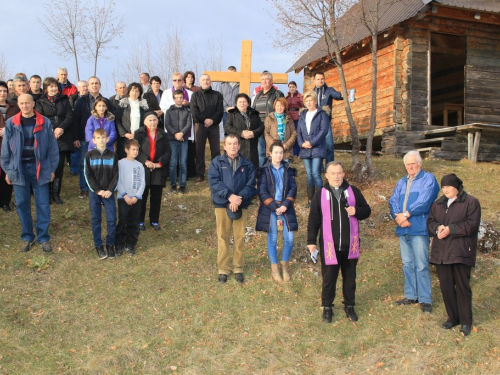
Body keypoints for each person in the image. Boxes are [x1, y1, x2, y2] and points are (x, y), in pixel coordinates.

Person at [307, 161, 371, 323]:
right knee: (329, 278)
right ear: (327, 176)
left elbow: (367, 210)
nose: (336, 176)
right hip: (330, 245)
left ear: (343, 174)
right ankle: (327, 307)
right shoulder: (319, 194)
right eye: (332, 173)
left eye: (339, 173)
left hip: (351, 244)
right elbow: (314, 218)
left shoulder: (353, 192)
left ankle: (349, 306)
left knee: (350, 278)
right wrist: (311, 240)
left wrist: (357, 211)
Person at [0, 94, 59, 253]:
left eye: (27, 103)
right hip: (19, 170)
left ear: (33, 103)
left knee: (43, 203)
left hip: (40, 168)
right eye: (22, 103)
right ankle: (27, 236)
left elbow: (53, 150)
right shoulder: (11, 124)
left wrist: (52, 169)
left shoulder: (44, 122)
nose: (25, 106)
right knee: (22, 204)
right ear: (18, 105)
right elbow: (5, 151)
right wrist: (8, 170)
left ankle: (43, 237)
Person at [427, 174, 481, 336]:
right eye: (443, 188)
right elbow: (429, 222)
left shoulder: (471, 202)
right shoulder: (438, 204)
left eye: (448, 187)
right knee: (446, 286)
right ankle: (453, 317)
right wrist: (437, 228)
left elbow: (471, 225)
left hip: (461, 251)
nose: (445, 190)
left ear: (456, 187)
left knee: (463, 287)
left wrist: (451, 229)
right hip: (441, 253)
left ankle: (466, 321)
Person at [389, 150, 440, 313]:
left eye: (413, 163)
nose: (411, 166)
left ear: (420, 163)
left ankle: (425, 299)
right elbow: (393, 200)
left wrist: (406, 215)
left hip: (419, 228)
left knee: (421, 265)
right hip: (403, 229)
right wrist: (398, 217)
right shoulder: (401, 182)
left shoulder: (428, 179)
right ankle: (411, 295)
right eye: (408, 164)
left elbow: (425, 201)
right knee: (407, 263)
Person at [208, 134, 257, 283]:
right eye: (229, 144)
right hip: (222, 204)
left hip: (241, 204)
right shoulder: (217, 162)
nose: (232, 146)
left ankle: (238, 267)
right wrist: (230, 196)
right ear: (224, 146)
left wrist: (238, 198)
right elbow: (214, 182)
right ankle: (223, 268)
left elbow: (251, 184)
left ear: (239, 146)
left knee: (239, 236)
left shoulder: (247, 164)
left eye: (235, 143)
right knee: (223, 237)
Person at [256, 141, 298, 283]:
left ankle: (284, 266)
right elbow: (262, 191)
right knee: (273, 239)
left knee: (290, 238)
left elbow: (293, 188)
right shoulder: (264, 170)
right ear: (270, 154)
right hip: (270, 208)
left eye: (281, 152)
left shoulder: (288, 169)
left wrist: (285, 205)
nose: (279, 155)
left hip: (286, 207)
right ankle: (275, 269)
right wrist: (275, 207)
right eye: (276, 152)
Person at [35, 77, 74, 205]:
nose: (53, 89)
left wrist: (61, 128)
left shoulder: (64, 100)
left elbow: (69, 116)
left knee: (59, 166)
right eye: (50, 86)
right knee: (46, 166)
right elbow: (40, 117)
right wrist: (52, 130)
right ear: (46, 88)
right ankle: (46, 194)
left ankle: (55, 194)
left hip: (62, 137)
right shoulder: (40, 102)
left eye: (55, 86)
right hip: (46, 137)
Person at [73, 76, 114, 198]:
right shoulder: (81, 101)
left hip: (106, 141)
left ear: (100, 85)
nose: (94, 85)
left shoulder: (107, 101)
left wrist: (108, 140)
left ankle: (105, 186)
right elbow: (76, 119)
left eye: (96, 83)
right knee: (84, 163)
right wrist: (76, 137)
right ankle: (85, 188)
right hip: (87, 139)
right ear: (88, 86)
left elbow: (112, 119)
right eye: (92, 83)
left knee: (104, 164)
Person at [84, 128, 118, 259]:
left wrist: (110, 190)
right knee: (96, 219)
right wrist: (98, 190)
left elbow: (116, 175)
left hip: (109, 193)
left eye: (103, 137)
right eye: (98, 138)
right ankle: (98, 245)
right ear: (94, 140)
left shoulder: (113, 155)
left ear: (107, 139)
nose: (101, 140)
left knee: (111, 219)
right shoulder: (89, 155)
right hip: (95, 193)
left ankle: (110, 244)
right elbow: (88, 176)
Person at [134, 112, 171, 231]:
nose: (152, 123)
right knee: (142, 196)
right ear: (145, 122)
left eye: (154, 120)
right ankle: (140, 220)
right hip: (143, 168)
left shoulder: (163, 134)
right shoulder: (138, 133)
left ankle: (154, 220)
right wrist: (145, 161)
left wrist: (158, 163)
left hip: (158, 169)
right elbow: (136, 150)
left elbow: (168, 152)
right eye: (150, 120)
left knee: (156, 196)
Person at [296, 91, 329, 208]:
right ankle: (310, 201)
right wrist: (301, 144)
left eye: (311, 100)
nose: (309, 102)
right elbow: (298, 131)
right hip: (305, 148)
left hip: (317, 148)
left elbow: (324, 130)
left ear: (315, 101)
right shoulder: (303, 115)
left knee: (315, 173)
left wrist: (312, 142)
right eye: (307, 101)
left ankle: (321, 201)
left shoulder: (322, 114)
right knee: (309, 174)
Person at [190, 74, 224, 183]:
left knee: (215, 150)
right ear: (200, 82)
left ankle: (216, 173)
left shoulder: (217, 95)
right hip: (200, 125)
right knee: (199, 150)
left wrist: (212, 120)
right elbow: (194, 111)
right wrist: (204, 119)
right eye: (203, 80)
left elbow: (220, 110)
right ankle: (200, 174)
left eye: (207, 79)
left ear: (211, 82)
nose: (205, 81)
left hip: (213, 125)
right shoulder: (195, 96)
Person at [116, 139, 145, 256]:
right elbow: (117, 181)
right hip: (124, 198)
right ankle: (119, 244)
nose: (135, 152)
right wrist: (125, 195)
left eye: (137, 150)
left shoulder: (139, 165)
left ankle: (131, 243)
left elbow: (142, 182)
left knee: (134, 222)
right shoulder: (120, 163)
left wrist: (137, 196)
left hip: (136, 199)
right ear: (126, 150)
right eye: (133, 149)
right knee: (123, 221)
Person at [252, 72, 284, 167]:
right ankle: (262, 173)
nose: (264, 81)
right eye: (262, 79)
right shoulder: (258, 94)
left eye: (267, 79)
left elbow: (282, 108)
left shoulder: (277, 93)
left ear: (271, 81)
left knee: (273, 150)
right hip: (259, 126)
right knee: (260, 152)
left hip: (272, 126)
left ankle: (274, 171)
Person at [224, 93, 263, 169]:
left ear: (248, 103)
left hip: (252, 146)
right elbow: (227, 127)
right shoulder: (232, 114)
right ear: (236, 103)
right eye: (240, 102)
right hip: (238, 145)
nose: (242, 104)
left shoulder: (254, 113)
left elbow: (261, 127)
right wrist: (241, 133)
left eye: (244, 102)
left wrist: (253, 133)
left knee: (252, 169)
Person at [165, 90, 192, 193]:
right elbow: (167, 124)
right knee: (173, 163)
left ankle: (182, 185)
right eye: (177, 97)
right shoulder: (169, 111)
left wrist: (181, 133)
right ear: (174, 98)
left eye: (181, 97)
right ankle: (173, 185)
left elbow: (189, 124)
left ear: (183, 98)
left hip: (184, 140)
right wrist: (175, 134)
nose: (179, 99)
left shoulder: (187, 111)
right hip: (172, 140)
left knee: (183, 163)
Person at [313, 72, 343, 165]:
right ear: (314, 80)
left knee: (329, 146)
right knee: (317, 146)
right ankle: (319, 167)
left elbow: (338, 96)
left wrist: (345, 93)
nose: (320, 81)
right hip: (314, 124)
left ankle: (329, 167)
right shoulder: (311, 93)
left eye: (322, 79)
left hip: (325, 123)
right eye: (318, 79)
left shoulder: (329, 90)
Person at [115, 82, 149, 159]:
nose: (134, 93)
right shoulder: (122, 104)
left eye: (137, 91)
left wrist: (137, 133)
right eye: (132, 90)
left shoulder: (144, 105)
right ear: (129, 92)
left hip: (139, 137)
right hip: (125, 138)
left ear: (140, 93)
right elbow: (117, 120)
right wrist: (124, 133)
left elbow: (146, 122)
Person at [0, 81, 17, 212]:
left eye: (4, 91)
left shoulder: (14, 107)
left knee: (7, 173)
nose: (2, 94)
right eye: (0, 91)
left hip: (11, 146)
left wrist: (8, 130)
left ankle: (6, 201)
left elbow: (20, 124)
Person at [264, 97, 297, 162]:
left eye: (282, 106)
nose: (279, 108)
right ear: (274, 106)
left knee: (284, 171)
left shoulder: (289, 119)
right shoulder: (269, 118)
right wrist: (274, 145)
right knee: (272, 171)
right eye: (278, 105)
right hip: (272, 151)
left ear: (285, 107)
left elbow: (294, 133)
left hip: (286, 152)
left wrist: (286, 145)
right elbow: (266, 133)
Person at [286, 81, 303, 161]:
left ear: (296, 87)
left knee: (296, 135)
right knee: (289, 136)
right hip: (288, 118)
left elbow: (303, 105)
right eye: (290, 87)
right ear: (288, 88)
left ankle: (296, 154)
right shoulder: (287, 97)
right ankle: (291, 155)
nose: (291, 88)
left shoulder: (299, 96)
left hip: (296, 118)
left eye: (293, 87)